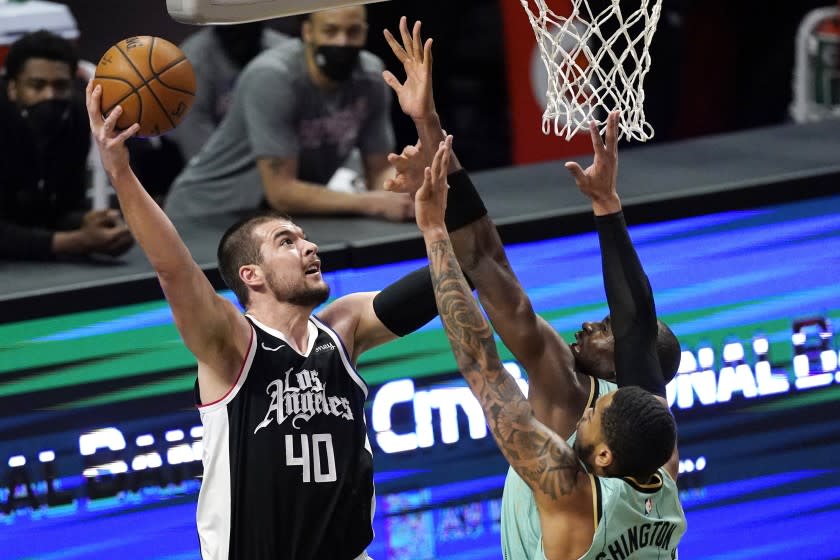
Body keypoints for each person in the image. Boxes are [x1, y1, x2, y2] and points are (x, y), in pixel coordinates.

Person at [86, 68, 446, 558]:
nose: (309, 246)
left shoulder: (344, 327)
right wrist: (121, 173)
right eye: (287, 242)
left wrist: (428, 130)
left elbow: (454, 276)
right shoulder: (231, 342)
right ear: (251, 275)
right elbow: (173, 268)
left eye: (304, 237)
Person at [382, 19, 685, 558]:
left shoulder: (572, 418)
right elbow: (638, 325)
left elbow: (484, 333)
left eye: (606, 331)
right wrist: (429, 126)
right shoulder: (656, 453)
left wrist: (434, 230)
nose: (595, 321)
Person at [164, 6, 412, 222]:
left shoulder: (371, 77)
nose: (342, 42)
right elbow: (282, 192)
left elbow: (380, 170)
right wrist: (373, 203)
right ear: (307, 32)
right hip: (208, 212)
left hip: (272, 215)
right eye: (330, 31)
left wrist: (404, 193)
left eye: (353, 31)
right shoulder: (273, 76)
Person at [0, 30, 132, 260]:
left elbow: (55, 210)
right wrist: (76, 241)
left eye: (60, 85)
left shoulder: (76, 118)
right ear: (12, 87)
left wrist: (86, 222)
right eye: (37, 85)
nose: (49, 95)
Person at [171, 22, 290, 162]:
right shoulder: (191, 64)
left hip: (280, 156)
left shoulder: (284, 53)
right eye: (232, 28)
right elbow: (202, 156)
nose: (239, 33)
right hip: (220, 166)